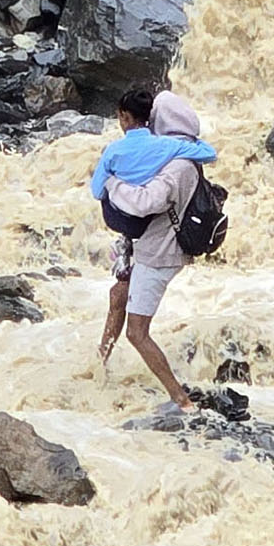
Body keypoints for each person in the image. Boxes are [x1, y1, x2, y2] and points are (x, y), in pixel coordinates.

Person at [91, 88, 214, 414]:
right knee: (118, 297)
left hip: (160, 255)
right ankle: (98, 366)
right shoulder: (179, 153)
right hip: (148, 247)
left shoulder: (179, 165)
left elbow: (148, 203)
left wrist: (112, 184)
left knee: (137, 332)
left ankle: (182, 400)